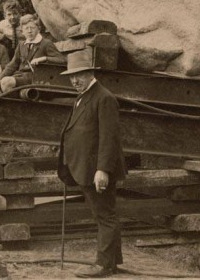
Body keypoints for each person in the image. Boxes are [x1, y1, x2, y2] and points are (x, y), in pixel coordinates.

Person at [57, 49, 126, 278]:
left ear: (91, 72)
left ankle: (103, 265)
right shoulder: (84, 95)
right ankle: (113, 261)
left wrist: (103, 170)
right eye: (71, 76)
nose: (74, 80)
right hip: (84, 167)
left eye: (80, 75)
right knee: (105, 213)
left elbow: (110, 138)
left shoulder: (104, 98)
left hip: (95, 169)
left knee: (104, 215)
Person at [0, 14, 65, 95]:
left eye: (32, 28)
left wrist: (44, 58)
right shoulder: (21, 44)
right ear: (22, 31)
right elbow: (12, 65)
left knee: (6, 82)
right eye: (26, 28)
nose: (29, 31)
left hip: (36, 78)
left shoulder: (46, 43)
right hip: (20, 76)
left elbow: (63, 60)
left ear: (38, 29)